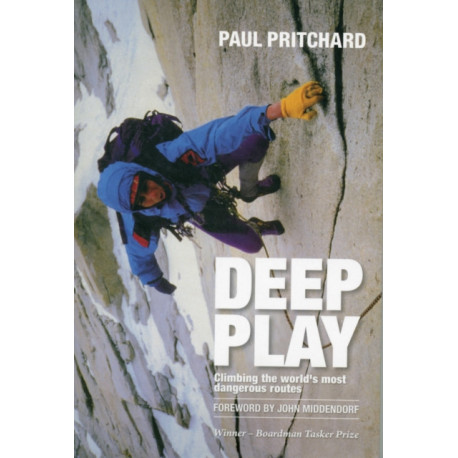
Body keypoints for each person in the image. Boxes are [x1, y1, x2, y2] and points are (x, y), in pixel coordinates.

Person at [97, 81, 324, 294]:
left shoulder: (166, 156)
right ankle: (254, 226)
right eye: (143, 199)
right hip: (197, 210)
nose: (154, 193)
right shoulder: (138, 222)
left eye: (146, 185)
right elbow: (137, 255)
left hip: (202, 172)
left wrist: (280, 109)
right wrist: (153, 279)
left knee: (255, 139)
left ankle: (250, 191)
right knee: (253, 244)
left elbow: (216, 136)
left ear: (144, 173)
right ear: (135, 208)